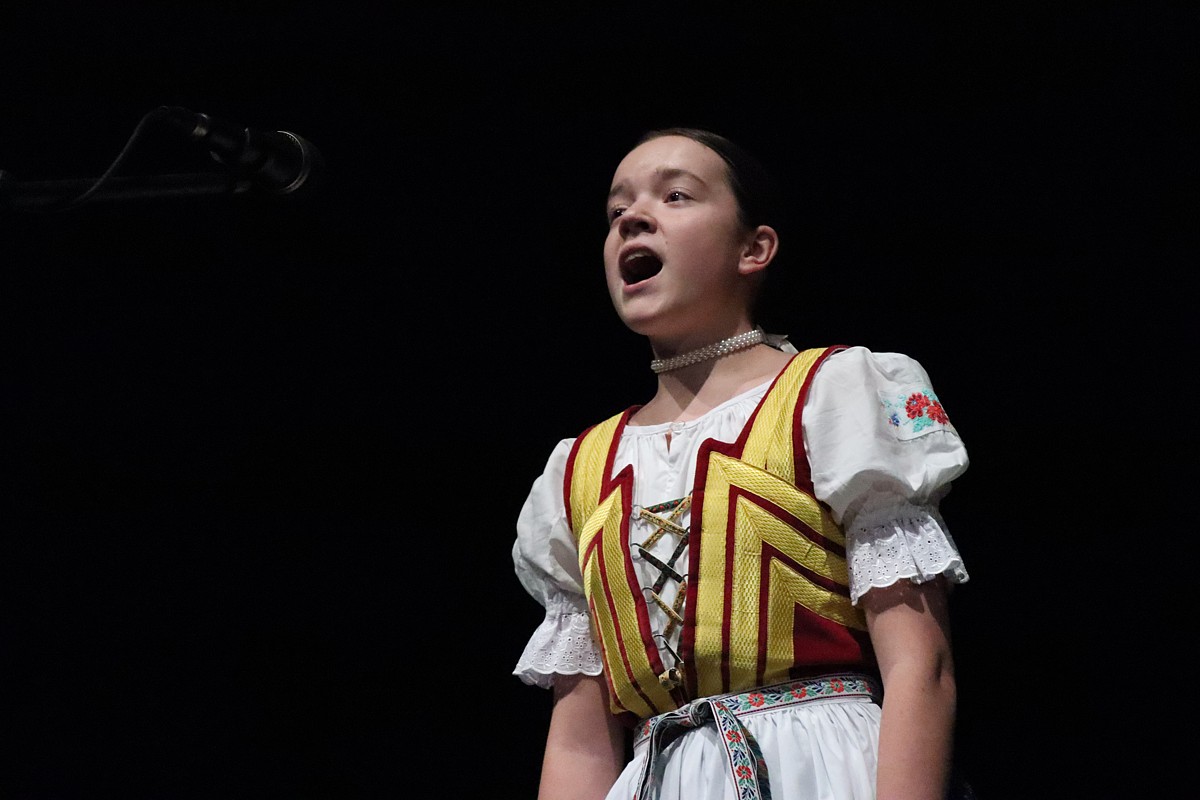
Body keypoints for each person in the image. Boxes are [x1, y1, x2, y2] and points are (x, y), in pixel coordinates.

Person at [511, 126, 972, 800]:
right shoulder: (579, 470)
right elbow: (579, 740)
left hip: (820, 771)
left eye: (675, 196)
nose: (633, 218)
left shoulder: (830, 396)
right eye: (617, 211)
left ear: (753, 249)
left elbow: (919, 666)